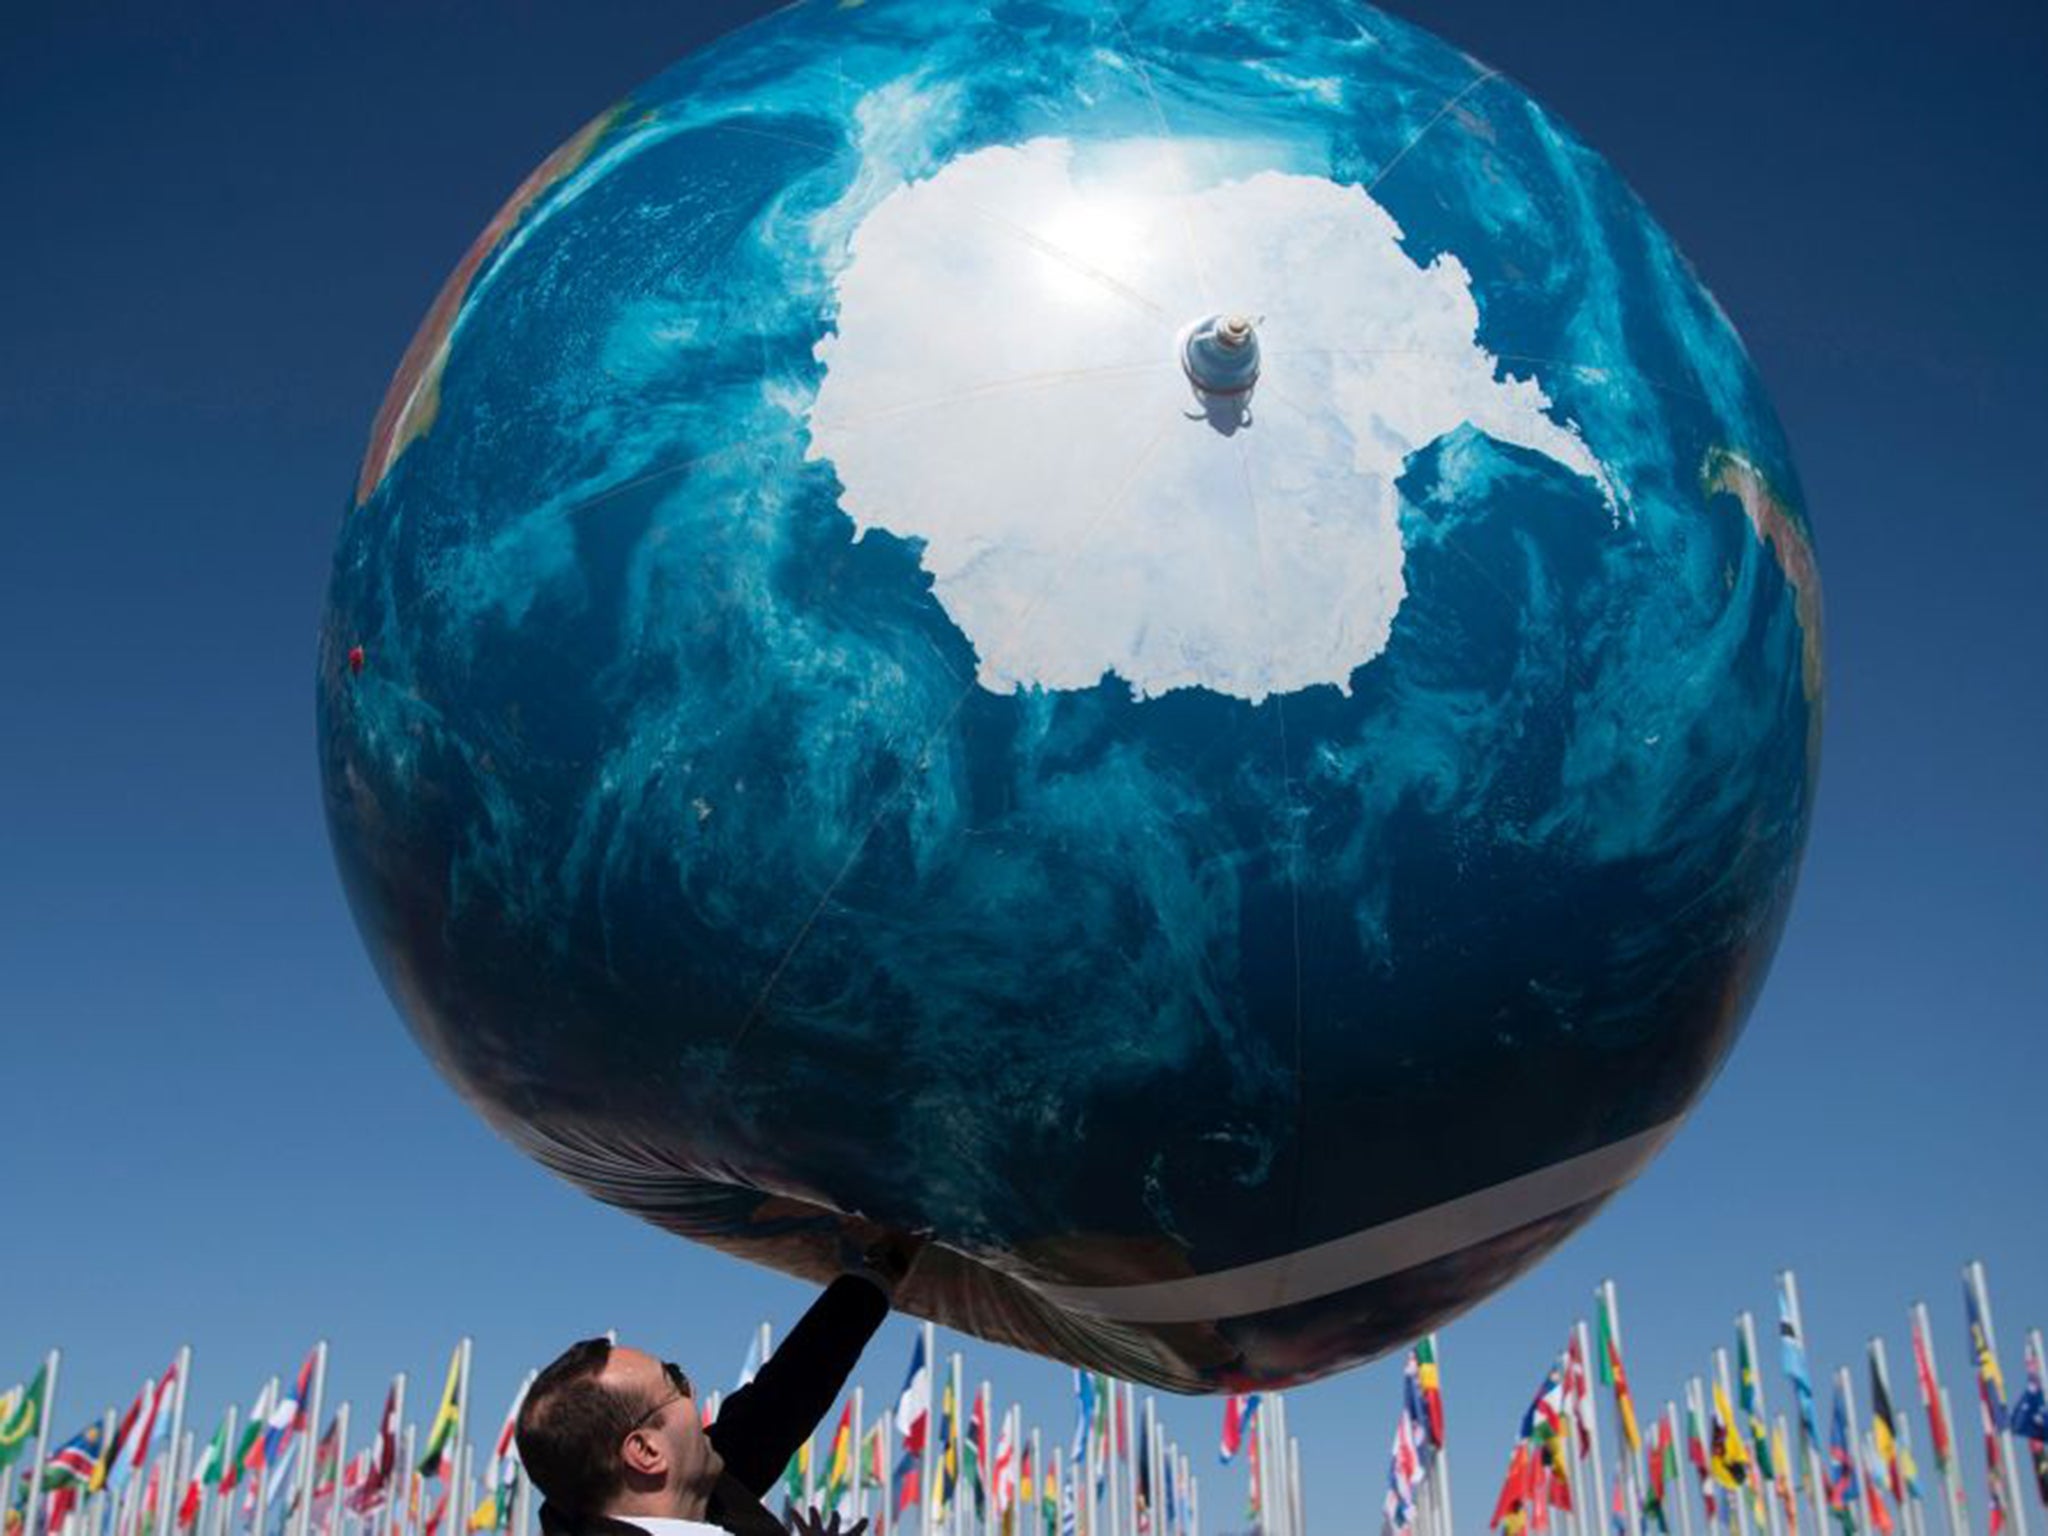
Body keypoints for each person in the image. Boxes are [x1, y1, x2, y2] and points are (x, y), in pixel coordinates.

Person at [517, 1234, 923, 1536]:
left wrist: (880, 1272)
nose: (693, 1393)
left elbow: (782, 1400)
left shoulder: (707, 1494)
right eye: (675, 1381)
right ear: (646, 1451)